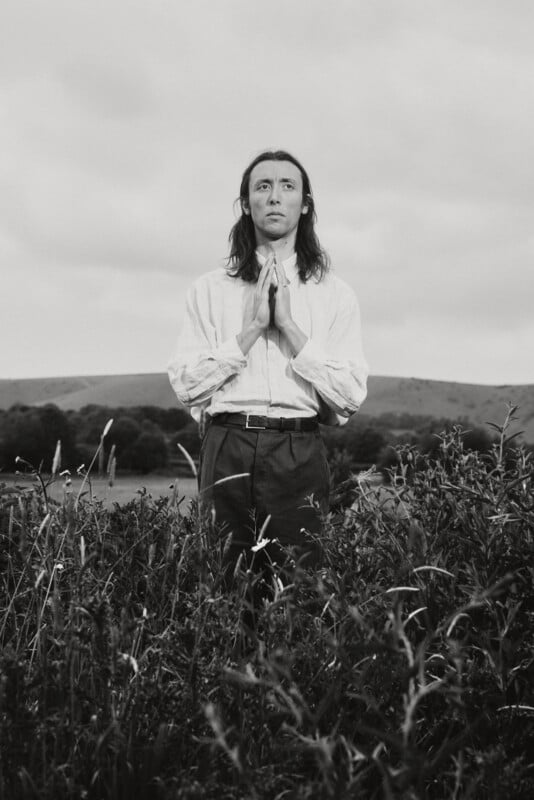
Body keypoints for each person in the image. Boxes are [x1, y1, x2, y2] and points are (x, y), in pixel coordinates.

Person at [168, 149, 368, 587]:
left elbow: (350, 396)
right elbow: (186, 386)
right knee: (223, 587)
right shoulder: (209, 290)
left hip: (299, 449)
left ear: (305, 204)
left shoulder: (335, 294)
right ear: (246, 203)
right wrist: (252, 329)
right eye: (263, 186)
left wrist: (290, 329)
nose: (275, 196)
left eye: (287, 186)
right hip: (227, 444)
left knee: (298, 589)